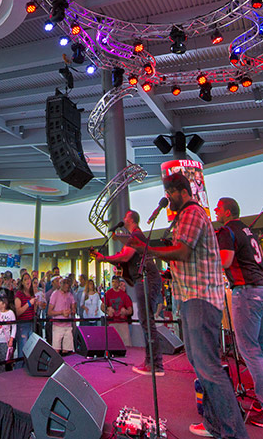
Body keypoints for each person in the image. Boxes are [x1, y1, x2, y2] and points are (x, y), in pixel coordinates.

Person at [131, 173, 249, 439]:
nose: (167, 198)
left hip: (201, 298)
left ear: (182, 191)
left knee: (208, 367)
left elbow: (183, 251)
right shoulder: (184, 217)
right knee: (201, 364)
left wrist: (147, 250)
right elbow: (185, 256)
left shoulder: (193, 213)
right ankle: (214, 424)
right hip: (192, 297)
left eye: (170, 193)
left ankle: (234, 433)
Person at [214, 197, 263, 428]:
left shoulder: (227, 230)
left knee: (250, 350)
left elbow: (225, 261)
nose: (215, 211)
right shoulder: (248, 231)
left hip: (247, 292)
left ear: (226, 212)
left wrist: (204, 260)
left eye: (217, 208)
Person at [94, 209, 162, 374]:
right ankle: (151, 362)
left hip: (146, 279)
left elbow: (124, 257)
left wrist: (104, 258)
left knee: (147, 321)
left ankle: (155, 364)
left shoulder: (137, 235)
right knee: (147, 321)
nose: (123, 218)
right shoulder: (134, 237)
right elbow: (125, 257)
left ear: (131, 220)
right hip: (144, 279)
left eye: (125, 216)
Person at [47, 275, 77, 354]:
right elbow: (49, 312)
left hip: (67, 326)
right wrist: (61, 312)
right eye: (65, 283)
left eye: (68, 284)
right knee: (56, 350)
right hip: (57, 326)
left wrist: (71, 310)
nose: (67, 285)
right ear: (61, 284)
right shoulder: (55, 294)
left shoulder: (70, 295)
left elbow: (74, 308)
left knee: (67, 351)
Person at [103, 275, 134, 347]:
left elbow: (130, 310)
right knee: (112, 344)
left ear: (119, 283)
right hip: (112, 322)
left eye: (116, 282)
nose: (114, 284)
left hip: (122, 322)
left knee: (126, 344)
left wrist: (125, 312)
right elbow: (102, 306)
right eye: (113, 282)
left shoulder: (124, 295)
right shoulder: (108, 293)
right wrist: (107, 310)